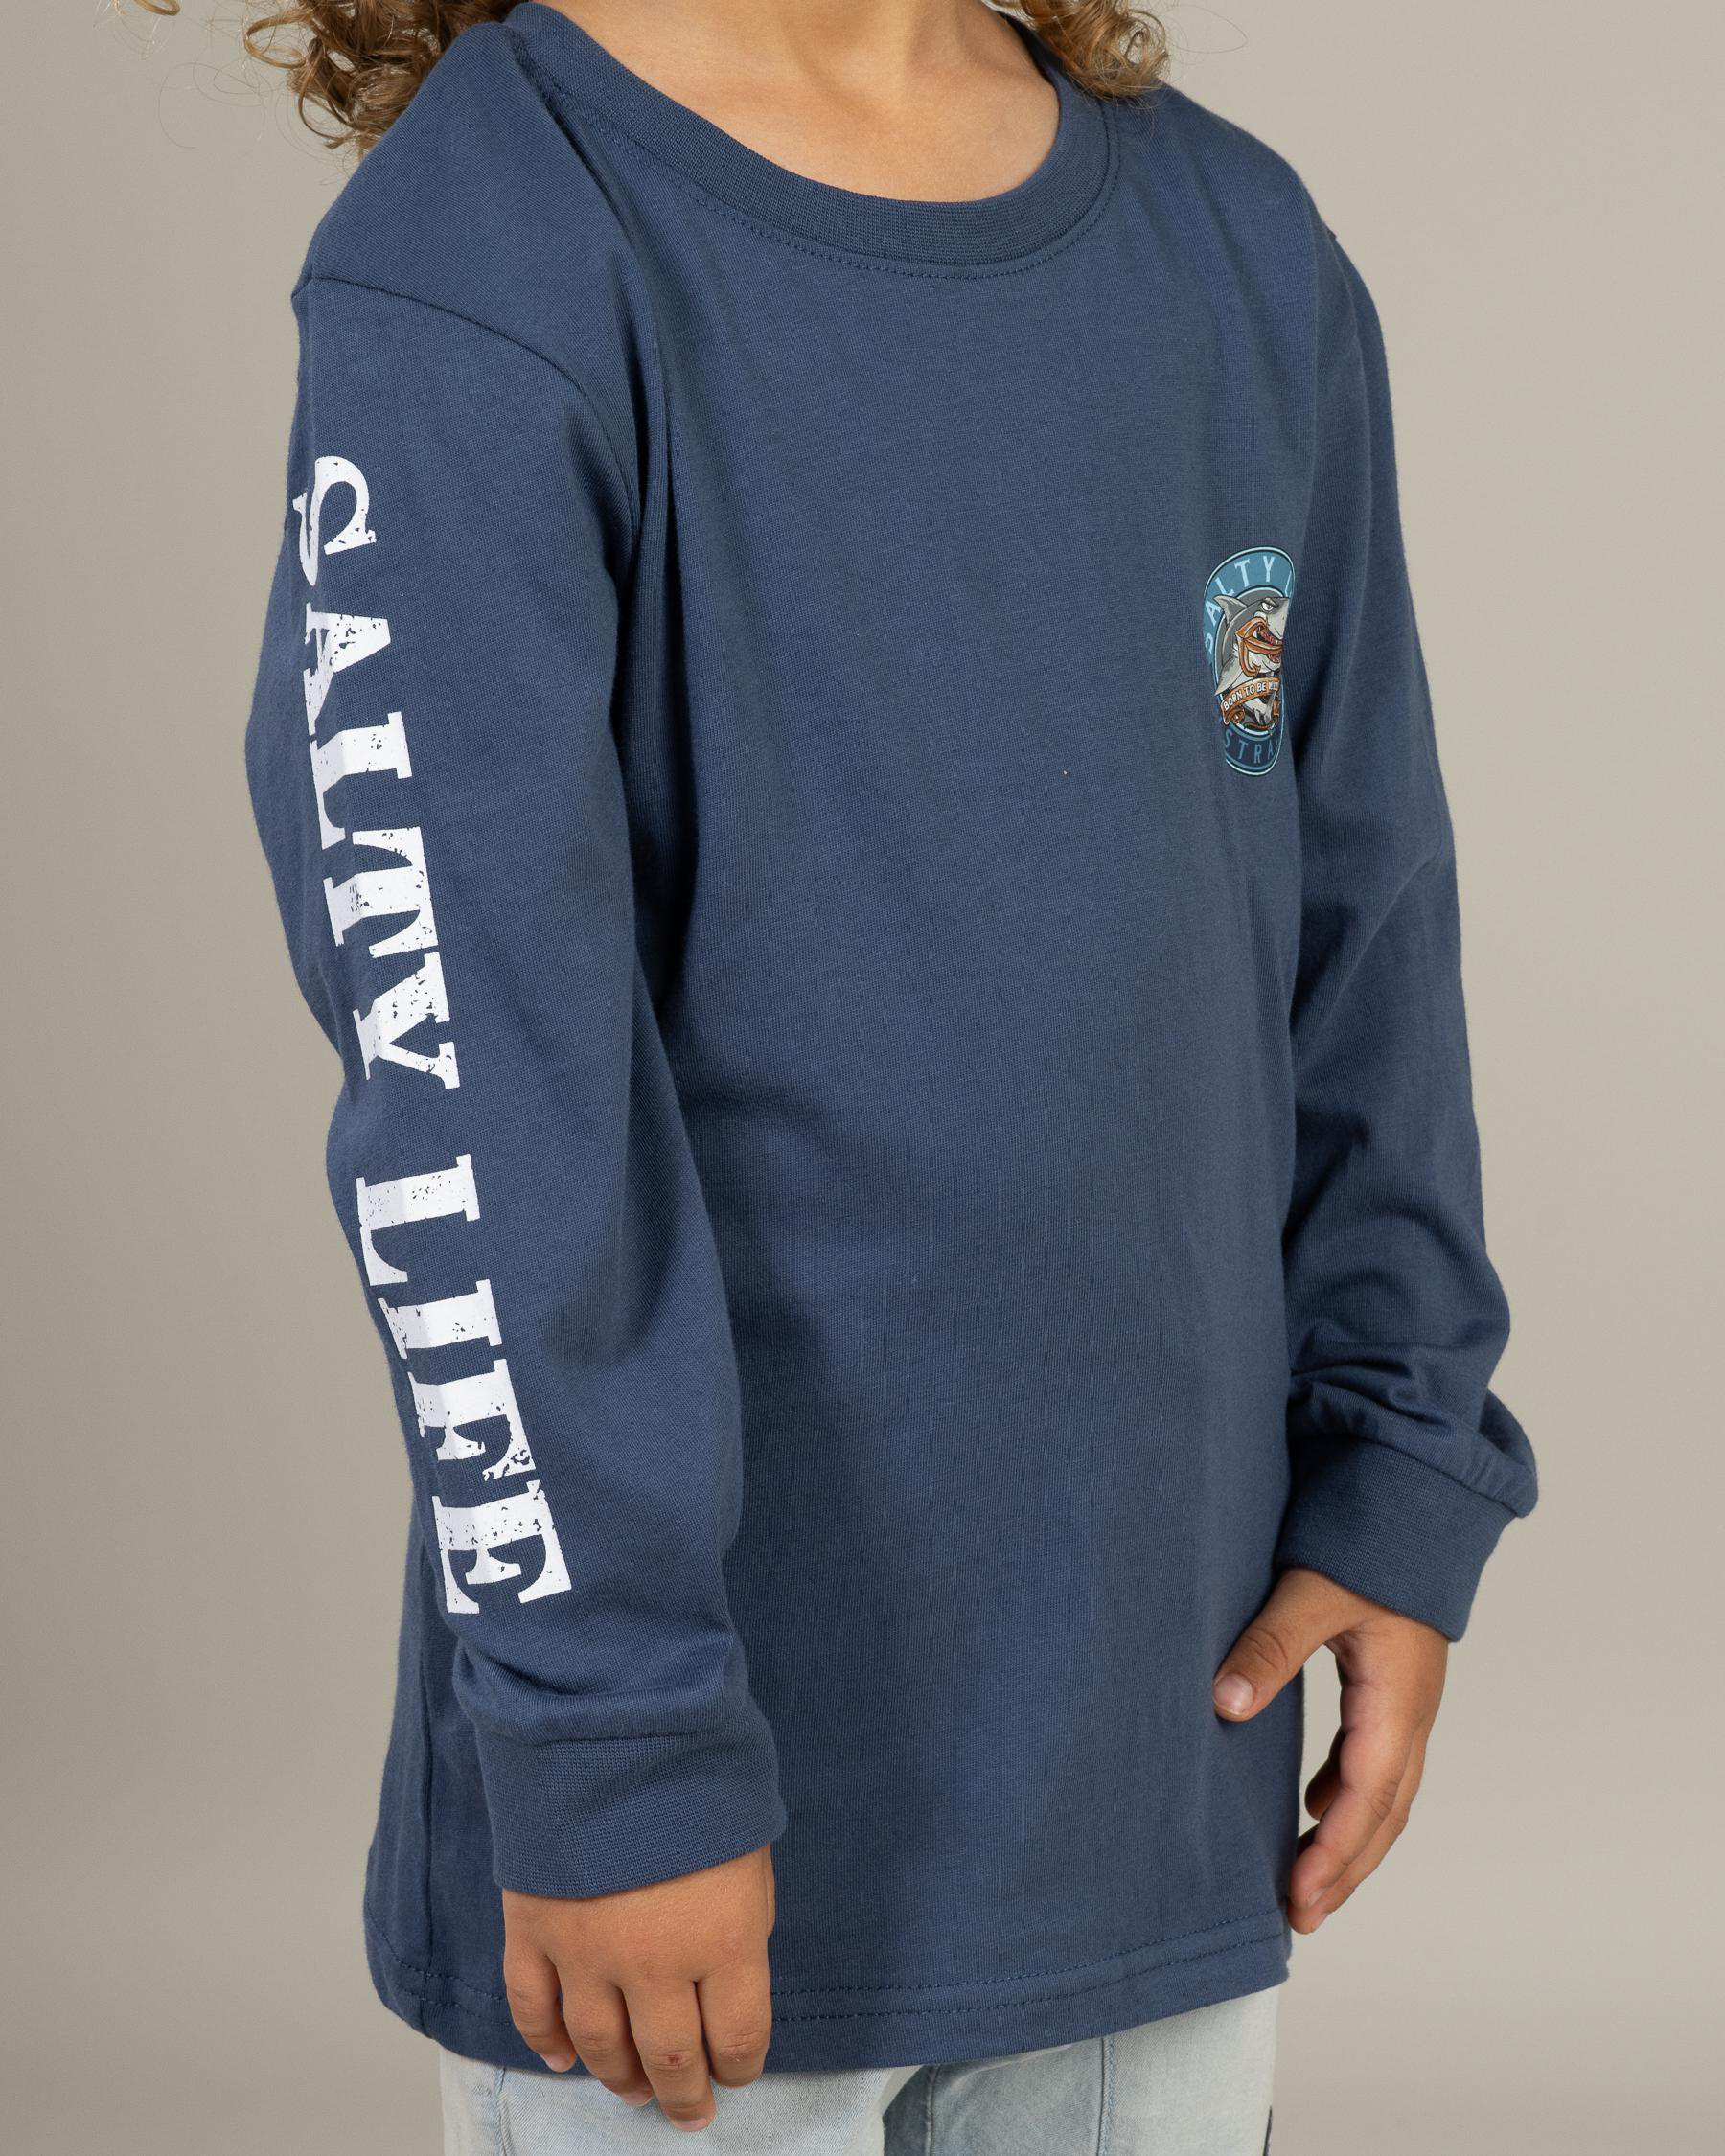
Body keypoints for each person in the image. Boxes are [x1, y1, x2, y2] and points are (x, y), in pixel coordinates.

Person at [191, 0, 1539, 2145]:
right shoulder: (495, 248)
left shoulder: (1238, 246)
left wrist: (1394, 1470)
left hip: (1157, 1783)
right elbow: (471, 1074)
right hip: (687, 1842)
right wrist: (610, 1731)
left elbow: (1361, 912)